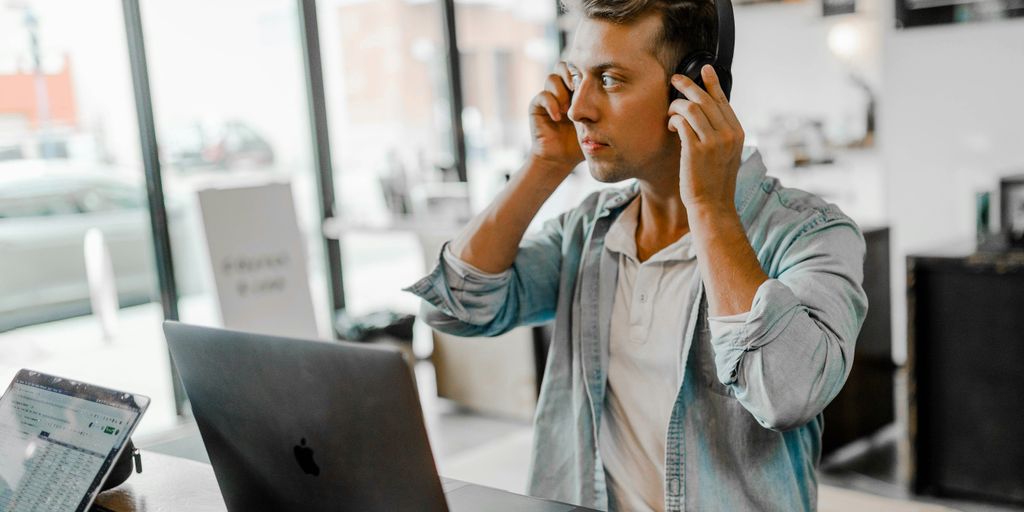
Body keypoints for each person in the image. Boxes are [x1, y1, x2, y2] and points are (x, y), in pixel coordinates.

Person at [405, 0, 868, 509]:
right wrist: (544, 164)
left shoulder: (811, 234)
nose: (578, 106)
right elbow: (451, 308)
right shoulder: (588, 230)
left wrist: (711, 209)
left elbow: (787, 394)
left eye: (609, 79)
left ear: (692, 88)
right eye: (577, 75)